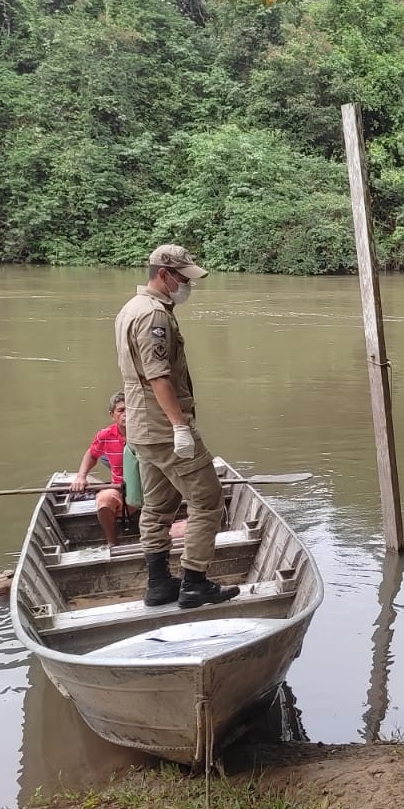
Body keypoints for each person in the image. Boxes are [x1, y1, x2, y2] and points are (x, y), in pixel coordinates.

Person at [115, 244, 239, 610]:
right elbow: (158, 376)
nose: (188, 285)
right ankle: (195, 583)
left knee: (158, 506)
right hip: (164, 428)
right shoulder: (153, 315)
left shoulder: (130, 308)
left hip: (142, 430)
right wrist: (179, 427)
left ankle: (158, 585)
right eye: (183, 278)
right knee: (208, 500)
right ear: (164, 274)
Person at [70, 392, 138, 547]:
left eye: (130, 409)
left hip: (150, 490)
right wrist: (81, 476)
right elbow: (92, 454)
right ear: (112, 415)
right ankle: (113, 544)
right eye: (121, 410)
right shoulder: (105, 436)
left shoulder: (147, 432)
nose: (126, 414)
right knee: (104, 500)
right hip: (123, 491)